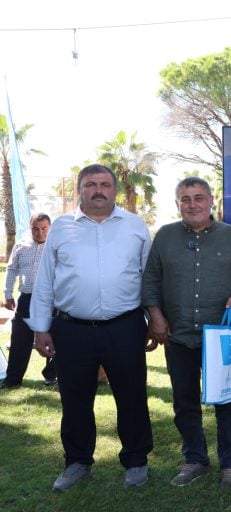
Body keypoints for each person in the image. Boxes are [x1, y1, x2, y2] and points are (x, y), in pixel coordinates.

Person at [28, 164, 153, 491]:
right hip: (72, 329)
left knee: (132, 396)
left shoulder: (135, 226)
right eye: (91, 185)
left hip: (124, 326)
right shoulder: (60, 228)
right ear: (79, 189)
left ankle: (137, 460)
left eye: (105, 184)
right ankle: (78, 462)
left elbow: (150, 278)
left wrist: (155, 320)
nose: (99, 190)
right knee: (74, 398)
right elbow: (45, 282)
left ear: (115, 190)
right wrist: (41, 328)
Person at [142, 177, 231, 488]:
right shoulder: (165, 236)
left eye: (198, 198)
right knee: (184, 401)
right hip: (178, 335)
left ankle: (230, 464)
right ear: (177, 203)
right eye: (185, 199)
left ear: (211, 201)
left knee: (228, 401)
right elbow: (151, 279)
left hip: (220, 337)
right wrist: (155, 315)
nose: (192, 204)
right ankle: (195, 459)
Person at [2, 213, 56, 389]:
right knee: (19, 339)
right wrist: (7, 294)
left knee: (55, 338)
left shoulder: (56, 247)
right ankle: (12, 379)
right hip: (26, 298)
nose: (39, 232)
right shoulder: (20, 247)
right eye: (35, 228)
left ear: (50, 227)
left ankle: (51, 375)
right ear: (30, 227)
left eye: (44, 228)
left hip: (51, 299)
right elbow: (11, 270)